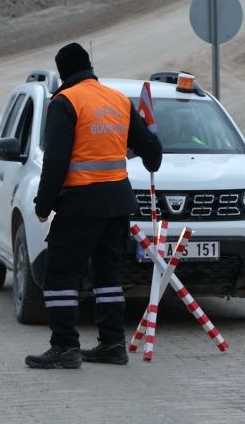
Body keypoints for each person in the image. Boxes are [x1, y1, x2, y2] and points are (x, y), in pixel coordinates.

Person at [25, 42, 162, 369]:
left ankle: (65, 347)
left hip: (79, 205)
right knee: (108, 276)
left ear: (63, 73)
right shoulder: (118, 100)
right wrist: (132, 152)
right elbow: (153, 152)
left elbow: (55, 162)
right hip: (117, 204)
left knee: (60, 275)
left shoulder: (65, 101)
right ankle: (113, 344)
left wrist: (44, 205)